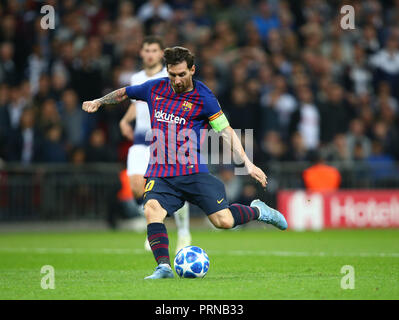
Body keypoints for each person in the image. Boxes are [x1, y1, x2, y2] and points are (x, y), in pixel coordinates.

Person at [82, 46, 287, 280]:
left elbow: (225, 131)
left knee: (224, 221)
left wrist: (248, 164)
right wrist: (99, 101)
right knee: (152, 210)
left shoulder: (204, 96)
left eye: (181, 74)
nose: (177, 80)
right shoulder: (154, 88)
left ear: (192, 70)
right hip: (161, 173)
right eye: (172, 74)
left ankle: (258, 211)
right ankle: (163, 267)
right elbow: (124, 93)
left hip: (193, 172)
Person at [118, 36, 191, 253]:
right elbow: (137, 104)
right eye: (146, 50)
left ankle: (184, 232)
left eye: (154, 50)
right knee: (136, 186)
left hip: (165, 139)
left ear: (161, 54)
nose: (150, 53)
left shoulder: (170, 76)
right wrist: (124, 120)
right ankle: (156, 227)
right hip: (141, 139)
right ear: (141, 53)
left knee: (176, 188)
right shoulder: (136, 77)